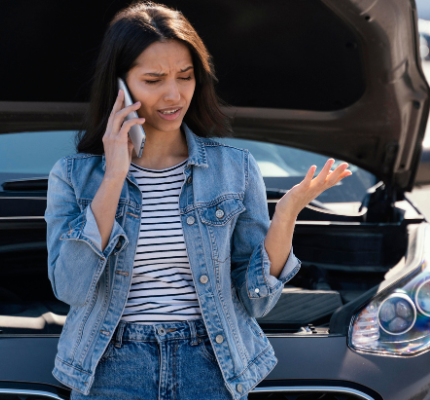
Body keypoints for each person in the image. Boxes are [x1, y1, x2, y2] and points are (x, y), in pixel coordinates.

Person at [43, 2, 351, 399]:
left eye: (185, 76)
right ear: (120, 87)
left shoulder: (234, 168)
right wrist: (115, 175)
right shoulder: (72, 176)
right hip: (112, 365)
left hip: (210, 361)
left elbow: (256, 300)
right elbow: (70, 287)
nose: (174, 94)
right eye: (153, 79)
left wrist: (287, 213)